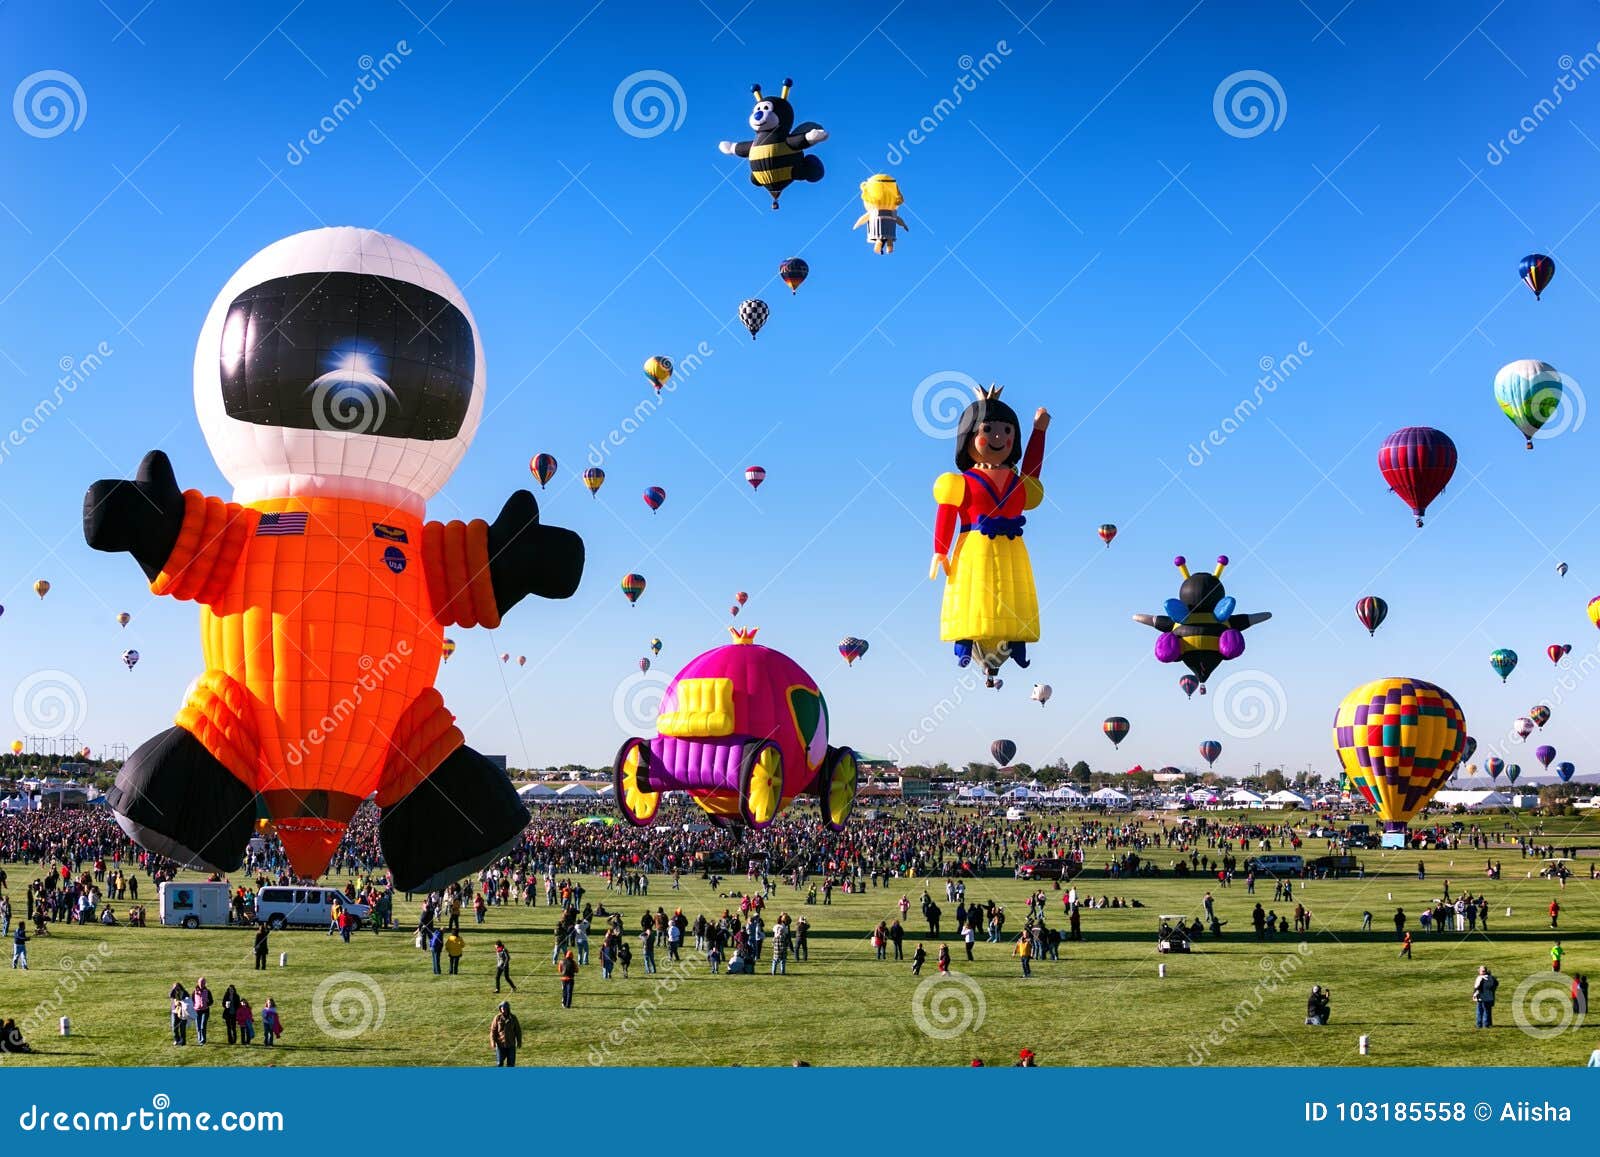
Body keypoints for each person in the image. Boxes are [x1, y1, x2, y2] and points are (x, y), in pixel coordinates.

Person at [490, 1001, 521, 1067]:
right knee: (499, 1063)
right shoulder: (497, 1018)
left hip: (511, 1045)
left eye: (505, 1008)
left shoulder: (513, 1018)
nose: (503, 1010)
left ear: (508, 1008)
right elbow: (493, 1031)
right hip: (500, 1045)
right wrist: (493, 1042)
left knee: (511, 1064)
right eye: (502, 1008)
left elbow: (518, 1031)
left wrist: (519, 1041)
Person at [192, 977, 212, 1044]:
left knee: (203, 1026)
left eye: (203, 983)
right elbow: (192, 1000)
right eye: (200, 983)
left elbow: (211, 1001)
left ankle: (203, 1040)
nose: (201, 984)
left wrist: (207, 1003)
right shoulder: (194, 991)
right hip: (197, 1011)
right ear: (198, 983)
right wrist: (194, 1006)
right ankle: (199, 1039)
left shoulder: (207, 991)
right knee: (198, 1026)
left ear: (205, 983)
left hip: (205, 1011)